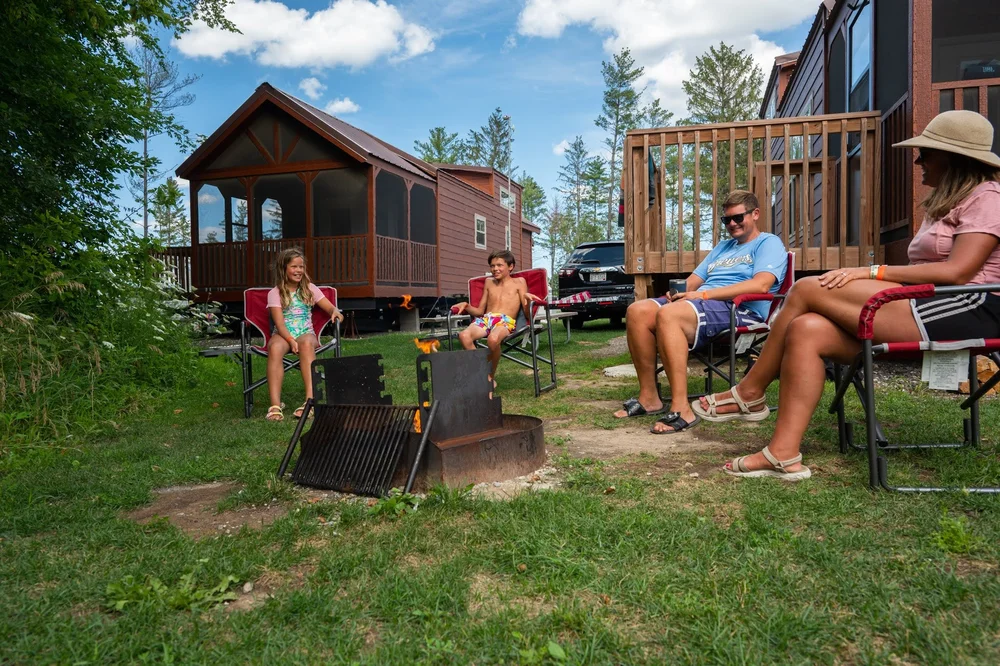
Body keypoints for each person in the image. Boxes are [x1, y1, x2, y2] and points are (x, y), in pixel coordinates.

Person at [693, 110, 1000, 480]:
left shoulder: (988, 198)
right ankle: (782, 453)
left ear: (953, 159)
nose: (918, 161)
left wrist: (871, 272)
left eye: (926, 153)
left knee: (807, 287)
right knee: (807, 328)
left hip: (972, 306)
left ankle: (750, 389)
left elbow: (959, 272)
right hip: (928, 302)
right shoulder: (943, 204)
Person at [613, 190, 789, 434]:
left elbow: (761, 285)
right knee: (638, 310)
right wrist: (678, 293)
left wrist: (701, 295)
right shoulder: (723, 247)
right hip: (702, 303)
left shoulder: (768, 243)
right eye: (726, 220)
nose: (732, 224)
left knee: (669, 314)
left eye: (738, 218)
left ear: (755, 214)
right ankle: (649, 397)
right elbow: (695, 280)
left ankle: (681, 409)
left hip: (740, 308)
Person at [264, 248, 343, 422]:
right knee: (275, 347)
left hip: (305, 332)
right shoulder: (275, 293)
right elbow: (279, 323)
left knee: (307, 344)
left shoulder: (310, 289)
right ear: (283, 268)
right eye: (294, 266)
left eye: (301, 267)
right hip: (283, 333)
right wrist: (290, 340)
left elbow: (328, 306)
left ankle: (310, 401)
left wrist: (335, 311)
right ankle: (275, 405)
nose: (299, 270)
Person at [453, 249, 542, 386]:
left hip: (505, 321)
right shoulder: (489, 282)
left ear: (510, 266)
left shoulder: (519, 282)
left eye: (499, 265)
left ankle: (489, 377)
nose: (495, 269)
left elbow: (526, 313)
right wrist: (466, 305)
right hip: (486, 319)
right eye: (492, 266)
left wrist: (528, 300)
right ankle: (481, 373)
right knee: (464, 336)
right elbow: (479, 311)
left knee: (493, 339)